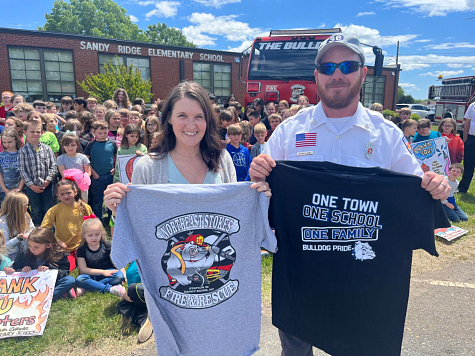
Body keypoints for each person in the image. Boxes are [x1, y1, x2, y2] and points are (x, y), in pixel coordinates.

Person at [250, 33, 450, 356]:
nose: (337, 74)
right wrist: (257, 174)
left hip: (363, 287)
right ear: (316, 76)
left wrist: (435, 188)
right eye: (328, 67)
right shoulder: (290, 132)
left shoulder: (386, 136)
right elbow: (259, 189)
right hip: (300, 280)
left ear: (363, 72)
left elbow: (417, 187)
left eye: (347, 65)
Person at [104, 81, 269, 213]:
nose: (191, 125)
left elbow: (234, 213)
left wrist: (256, 194)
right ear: (168, 118)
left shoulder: (222, 159)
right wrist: (120, 210)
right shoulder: (147, 167)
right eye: (182, 115)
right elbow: (139, 227)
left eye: (199, 116)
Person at [4, 227, 76, 301]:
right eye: (30, 245)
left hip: (49, 282)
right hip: (30, 284)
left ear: (49, 245)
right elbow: (16, 268)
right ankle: (59, 293)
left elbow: (65, 271)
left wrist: (50, 270)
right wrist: (22, 270)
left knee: (69, 280)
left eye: (36, 247)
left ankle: (46, 297)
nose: (32, 249)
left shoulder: (58, 254)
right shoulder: (25, 251)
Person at [41, 179, 93, 271]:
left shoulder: (84, 207)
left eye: (68, 193)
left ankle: (84, 281)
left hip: (82, 245)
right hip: (64, 248)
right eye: (62, 194)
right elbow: (44, 230)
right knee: (67, 268)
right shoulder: (54, 210)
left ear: (75, 192)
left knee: (88, 268)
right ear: (57, 195)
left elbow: (93, 225)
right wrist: (57, 241)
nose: (66, 196)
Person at [18, 120, 56, 226]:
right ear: (25, 132)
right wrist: (31, 185)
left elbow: (53, 166)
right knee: (36, 209)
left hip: (47, 185)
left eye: (38, 131)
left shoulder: (47, 149)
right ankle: (37, 229)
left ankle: (48, 229)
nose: (35, 134)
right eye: (32, 131)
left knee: (47, 208)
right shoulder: (23, 151)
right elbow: (22, 170)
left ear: (42, 133)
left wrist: (48, 180)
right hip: (32, 186)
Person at [75, 216, 125, 296]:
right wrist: (103, 272)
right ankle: (110, 289)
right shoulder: (81, 249)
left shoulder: (106, 245)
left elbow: (117, 260)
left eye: (97, 234)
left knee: (119, 275)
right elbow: (83, 269)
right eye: (90, 235)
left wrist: (123, 273)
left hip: (109, 273)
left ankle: (90, 286)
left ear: (101, 233)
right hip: (92, 275)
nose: (94, 237)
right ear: (84, 235)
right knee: (80, 279)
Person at [84, 121, 117, 221]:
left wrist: (115, 168)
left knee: (111, 198)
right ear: (94, 132)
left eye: (105, 133)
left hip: (110, 175)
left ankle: (111, 218)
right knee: (97, 199)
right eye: (100, 133)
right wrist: (94, 174)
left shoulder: (112, 144)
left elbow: (118, 157)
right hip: (97, 176)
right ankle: (98, 219)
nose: (103, 135)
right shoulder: (91, 145)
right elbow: (86, 161)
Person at [56, 133, 91, 201]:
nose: (70, 148)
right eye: (67, 145)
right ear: (63, 146)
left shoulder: (83, 157)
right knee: (69, 205)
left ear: (77, 145)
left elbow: (88, 172)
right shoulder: (60, 159)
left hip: (82, 187)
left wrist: (82, 182)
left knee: (82, 204)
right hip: (68, 187)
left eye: (73, 145)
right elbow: (63, 174)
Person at [0, 192, 34, 260]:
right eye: (26, 205)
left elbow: (33, 230)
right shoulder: (2, 222)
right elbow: (4, 246)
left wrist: (27, 235)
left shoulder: (26, 216)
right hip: (9, 255)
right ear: (18, 207)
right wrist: (18, 238)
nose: (27, 207)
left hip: (25, 251)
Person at [0, 129, 25, 201]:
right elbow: (0, 174)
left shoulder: (22, 154)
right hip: (5, 190)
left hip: (21, 189)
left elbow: (24, 172)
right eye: (4, 142)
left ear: (16, 140)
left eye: (9, 142)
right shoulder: (1, 156)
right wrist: (4, 189)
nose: (6, 144)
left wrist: (19, 187)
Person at [459, 100, 475, 193]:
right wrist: (465, 140)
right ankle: (462, 188)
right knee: (468, 165)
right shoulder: (473, 105)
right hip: (471, 139)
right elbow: (467, 122)